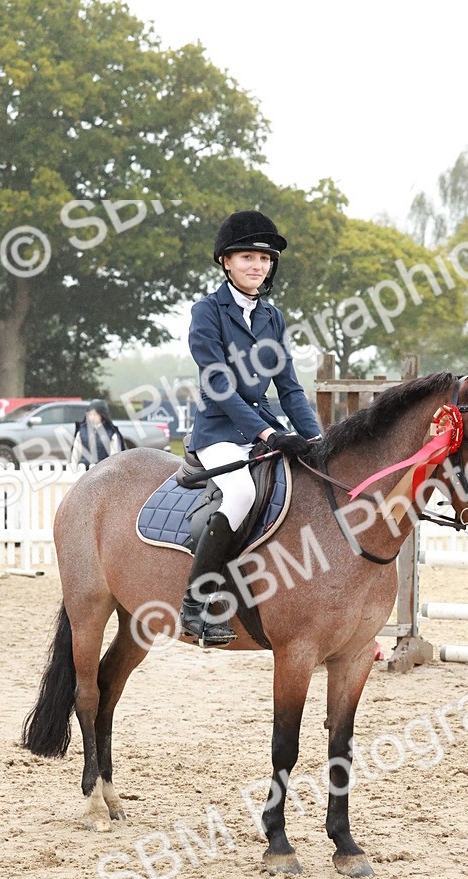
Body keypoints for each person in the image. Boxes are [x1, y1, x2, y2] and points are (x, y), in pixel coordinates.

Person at [179, 209, 323, 646]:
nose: (258, 266)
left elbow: (290, 387)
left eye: (264, 258)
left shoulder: (272, 318)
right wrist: (266, 434)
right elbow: (219, 385)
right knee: (241, 492)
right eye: (247, 257)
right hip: (219, 435)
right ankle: (195, 602)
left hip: (263, 430)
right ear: (225, 261)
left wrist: (316, 438)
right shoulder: (207, 312)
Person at [70, 400, 124, 469]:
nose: (92, 417)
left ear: (102, 415)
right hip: (84, 469)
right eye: (90, 414)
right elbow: (76, 452)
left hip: (103, 470)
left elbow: (114, 455)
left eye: (95, 414)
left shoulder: (111, 433)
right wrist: (74, 468)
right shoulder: (82, 431)